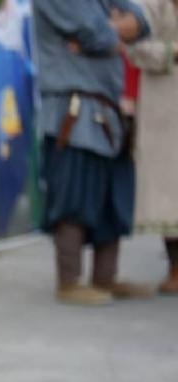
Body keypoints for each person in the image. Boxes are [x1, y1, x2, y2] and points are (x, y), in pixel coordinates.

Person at [35, 0, 151, 303]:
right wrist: (115, 32)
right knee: (74, 193)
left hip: (109, 107)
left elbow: (143, 24)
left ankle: (105, 279)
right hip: (72, 109)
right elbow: (95, 35)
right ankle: (69, 282)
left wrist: (113, 32)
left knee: (113, 196)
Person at [128, 0, 178, 293]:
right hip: (165, 109)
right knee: (168, 191)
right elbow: (135, 49)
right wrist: (173, 51)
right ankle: (175, 268)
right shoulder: (149, 5)